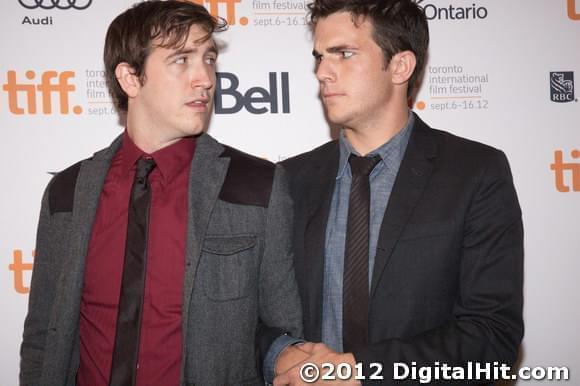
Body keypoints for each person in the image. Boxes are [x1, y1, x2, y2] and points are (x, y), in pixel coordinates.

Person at [19, 2, 303, 385]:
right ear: (130, 78)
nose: (204, 77)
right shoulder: (67, 194)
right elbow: (42, 338)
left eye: (209, 58)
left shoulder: (256, 185)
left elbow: (283, 339)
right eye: (181, 60)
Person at [276, 0, 524, 384]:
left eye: (343, 54)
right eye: (319, 57)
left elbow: (492, 337)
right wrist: (280, 354)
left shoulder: (475, 173)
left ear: (400, 66)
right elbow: (252, 316)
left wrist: (360, 369)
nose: (323, 72)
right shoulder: (288, 180)